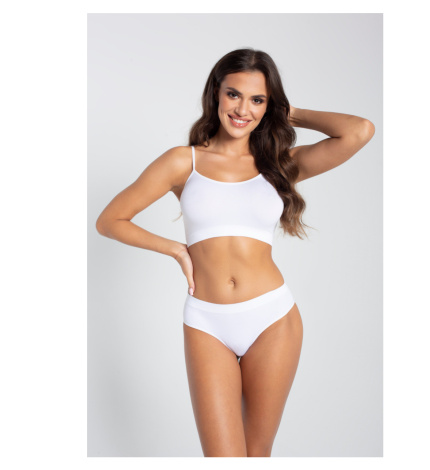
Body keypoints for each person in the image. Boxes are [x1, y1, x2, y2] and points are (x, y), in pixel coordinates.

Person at [95, 48, 375, 457]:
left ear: (269, 105)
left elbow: (360, 131)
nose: (243, 109)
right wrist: (176, 249)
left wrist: (287, 112)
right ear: (216, 93)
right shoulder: (183, 161)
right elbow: (110, 220)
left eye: (257, 99)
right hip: (207, 321)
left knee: (257, 455)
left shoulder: (280, 164)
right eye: (234, 94)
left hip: (272, 317)